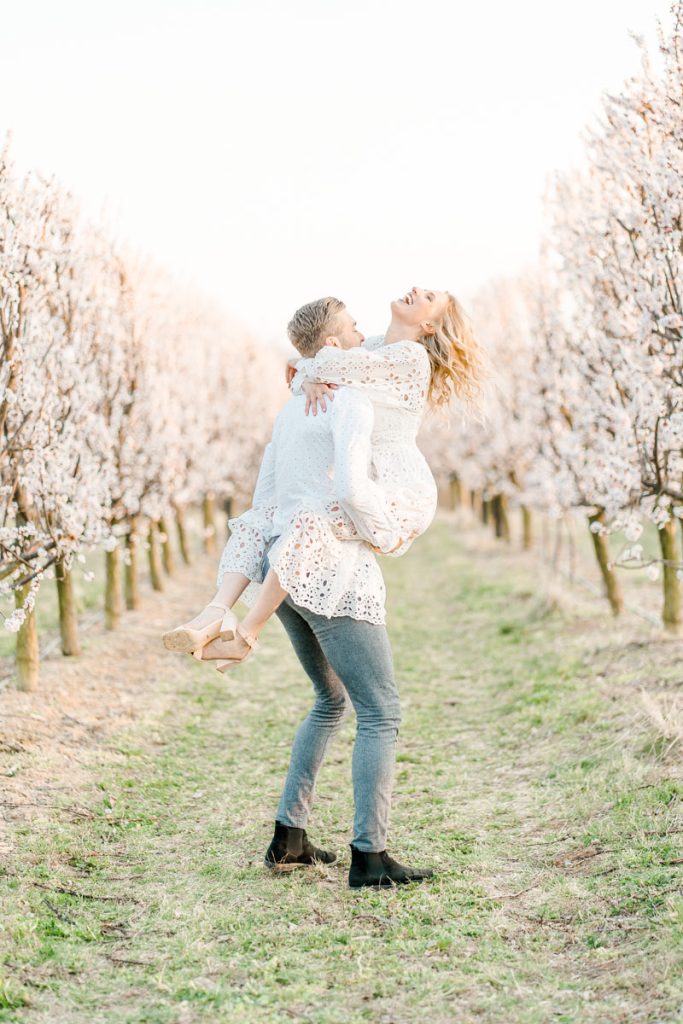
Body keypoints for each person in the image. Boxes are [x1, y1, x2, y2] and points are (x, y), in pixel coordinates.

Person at [163, 287, 484, 671]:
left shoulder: (411, 357)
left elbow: (331, 364)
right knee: (260, 520)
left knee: (310, 523)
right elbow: (329, 362)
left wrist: (304, 367)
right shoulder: (378, 347)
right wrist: (306, 371)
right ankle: (213, 613)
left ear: (429, 324)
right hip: (367, 482)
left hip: (396, 489)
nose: (416, 290)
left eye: (429, 296)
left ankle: (246, 636)